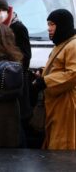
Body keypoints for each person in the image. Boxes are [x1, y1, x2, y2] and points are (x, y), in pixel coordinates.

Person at [0, 0, 32, 147]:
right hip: (0, 82)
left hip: (15, 81)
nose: (0, 12)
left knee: (18, 121)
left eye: (3, 9)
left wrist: (12, 69)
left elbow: (26, 56)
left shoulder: (18, 27)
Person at [33, 9, 76, 150]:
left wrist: (46, 81)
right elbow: (57, 67)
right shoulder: (62, 44)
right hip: (56, 104)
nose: (49, 28)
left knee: (64, 145)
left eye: (52, 24)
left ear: (62, 25)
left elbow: (73, 74)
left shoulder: (73, 45)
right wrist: (42, 72)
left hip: (66, 104)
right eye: (48, 24)